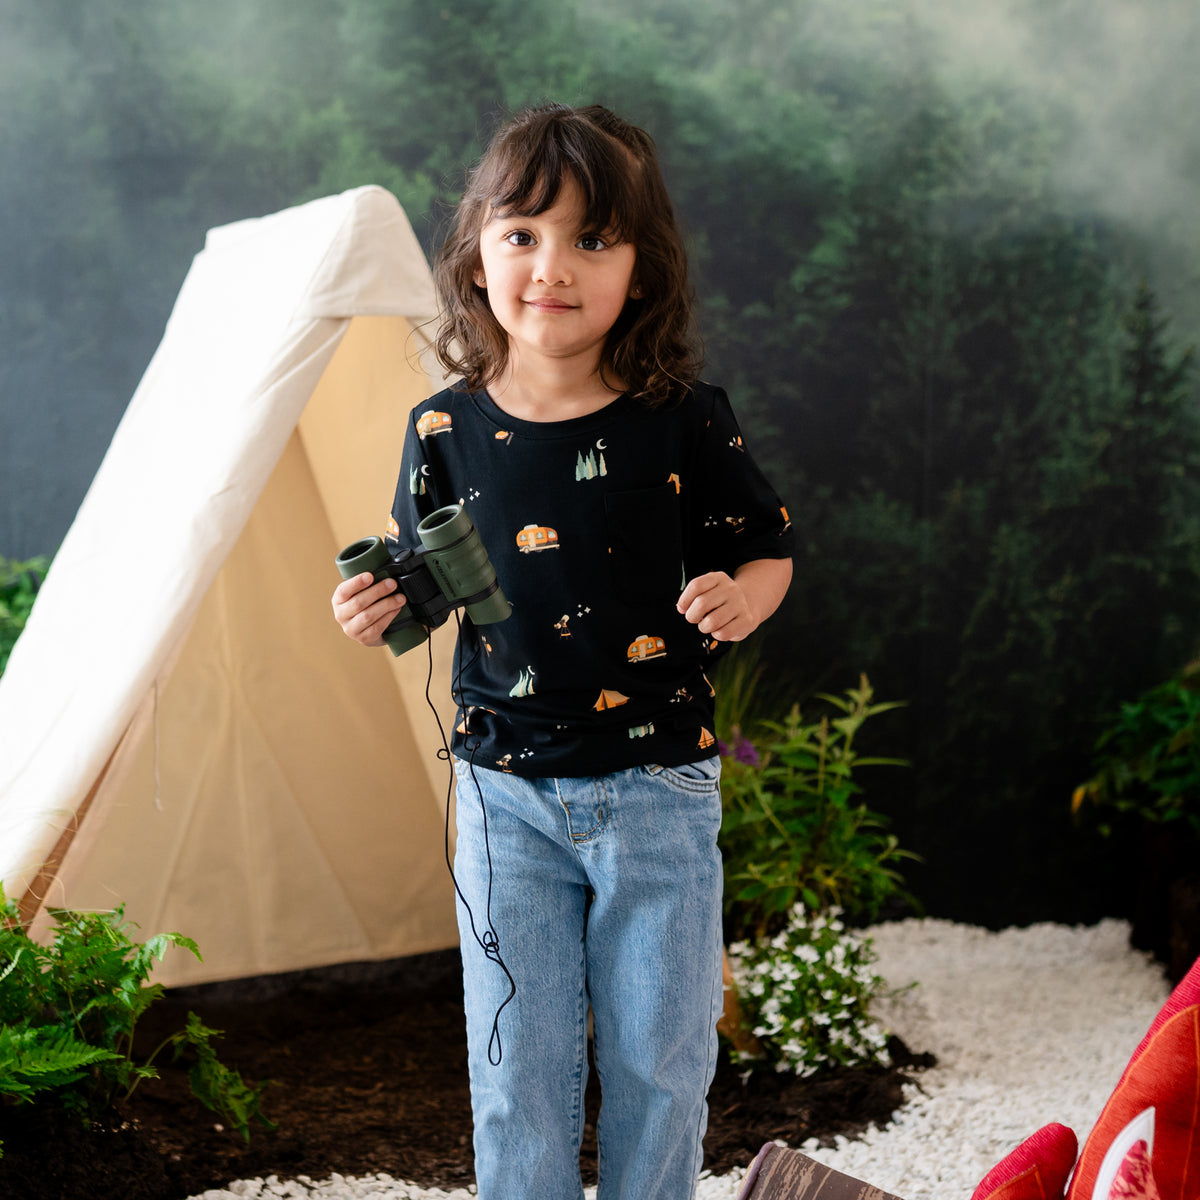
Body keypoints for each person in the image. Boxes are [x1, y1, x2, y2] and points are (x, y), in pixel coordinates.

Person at [331, 102, 794, 1200]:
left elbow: (766, 546)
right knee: (516, 1064)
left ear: (645, 265)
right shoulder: (442, 430)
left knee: (659, 1061)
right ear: (477, 254)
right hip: (504, 802)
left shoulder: (682, 420)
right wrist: (376, 603)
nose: (554, 267)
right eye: (524, 234)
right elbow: (421, 581)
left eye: (594, 239)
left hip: (659, 793)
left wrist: (745, 597)